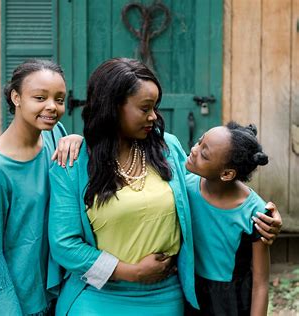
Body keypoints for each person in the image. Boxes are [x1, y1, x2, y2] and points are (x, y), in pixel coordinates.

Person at [47, 58, 282, 315]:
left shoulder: (166, 147)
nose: (154, 116)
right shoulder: (72, 163)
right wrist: (131, 272)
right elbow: (64, 244)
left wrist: (260, 213)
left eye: (155, 107)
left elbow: (207, 187)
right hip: (98, 295)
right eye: (145, 108)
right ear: (112, 108)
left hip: (165, 295)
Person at [0, 59, 82, 315]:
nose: (52, 107)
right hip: (19, 300)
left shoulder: (55, 135)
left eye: (60, 99)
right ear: (16, 97)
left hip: (58, 288)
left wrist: (78, 141)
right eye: (40, 97)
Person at [184, 122, 270, 315]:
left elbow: (261, 283)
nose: (194, 149)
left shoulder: (255, 212)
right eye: (199, 142)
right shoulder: (185, 187)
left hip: (231, 301)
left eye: (204, 154)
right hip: (189, 291)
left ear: (227, 174)